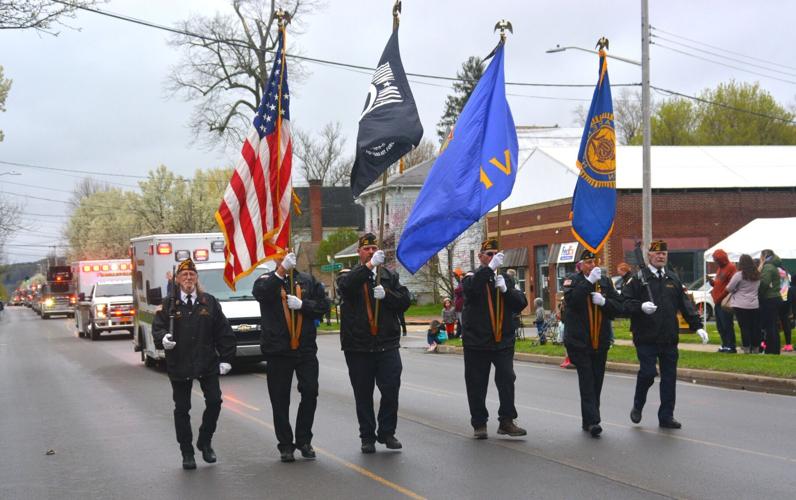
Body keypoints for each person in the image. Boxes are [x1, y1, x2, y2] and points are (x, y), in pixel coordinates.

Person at [152, 258, 236, 470]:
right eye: (184, 275)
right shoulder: (168, 304)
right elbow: (158, 327)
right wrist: (163, 339)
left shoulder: (209, 302)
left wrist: (226, 358)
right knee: (182, 409)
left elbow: (223, 331)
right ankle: (187, 452)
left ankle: (205, 441)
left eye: (192, 274)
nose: (188, 278)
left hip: (206, 361)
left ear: (196, 278)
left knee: (215, 402)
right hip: (179, 363)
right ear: (178, 280)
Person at [252, 251, 330, 463]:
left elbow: (324, 306)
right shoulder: (265, 280)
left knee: (310, 391)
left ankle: (304, 440)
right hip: (278, 349)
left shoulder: (307, 280)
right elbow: (262, 295)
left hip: (304, 348)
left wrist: (304, 305)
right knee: (280, 398)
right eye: (280, 256)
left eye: (287, 255)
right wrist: (280, 272)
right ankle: (285, 444)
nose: (284, 258)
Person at [337, 233, 411, 453]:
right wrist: (369, 267)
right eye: (366, 249)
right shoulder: (348, 276)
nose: (371, 252)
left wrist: (387, 295)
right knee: (363, 394)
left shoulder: (389, 276)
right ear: (359, 253)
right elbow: (347, 287)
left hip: (386, 343)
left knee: (390, 390)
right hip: (358, 346)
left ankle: (387, 432)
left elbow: (405, 302)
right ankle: (367, 436)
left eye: (374, 249)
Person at [622, 240, 707, 429]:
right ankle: (638, 405)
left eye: (664, 253)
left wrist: (697, 326)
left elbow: (685, 304)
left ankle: (666, 416)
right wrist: (640, 307)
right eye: (657, 253)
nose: (661, 256)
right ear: (649, 256)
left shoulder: (672, 278)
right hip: (645, 336)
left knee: (669, 378)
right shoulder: (638, 279)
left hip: (668, 336)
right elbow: (624, 303)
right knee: (648, 373)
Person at [462, 238, 529, 439]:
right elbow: (471, 290)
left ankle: (507, 420)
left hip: (502, 340)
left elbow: (520, 304)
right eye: (489, 254)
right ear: (481, 257)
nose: (493, 257)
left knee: (507, 378)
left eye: (495, 254)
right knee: (476, 383)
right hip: (477, 341)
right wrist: (489, 269)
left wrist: (506, 290)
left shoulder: (505, 279)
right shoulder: (471, 276)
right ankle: (479, 423)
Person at [563, 250, 623, 437]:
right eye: (587, 262)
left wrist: (605, 302)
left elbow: (617, 307)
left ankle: (588, 420)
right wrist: (588, 283)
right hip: (579, 342)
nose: (591, 265)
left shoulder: (604, 282)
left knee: (597, 382)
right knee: (587, 380)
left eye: (594, 261)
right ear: (580, 265)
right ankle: (594, 422)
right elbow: (572, 302)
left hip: (600, 340)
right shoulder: (572, 280)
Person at [726, 254, 761, 353]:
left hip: (740, 304)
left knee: (744, 327)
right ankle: (755, 348)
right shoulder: (757, 274)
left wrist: (736, 290)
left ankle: (746, 347)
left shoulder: (739, 275)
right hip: (754, 304)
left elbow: (729, 288)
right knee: (754, 327)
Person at [709, 249, 738, 353]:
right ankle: (725, 344)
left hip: (724, 301)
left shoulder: (731, 267)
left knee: (727, 325)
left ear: (722, 259)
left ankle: (731, 346)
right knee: (720, 326)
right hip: (717, 301)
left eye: (717, 260)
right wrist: (712, 283)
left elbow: (731, 284)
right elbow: (719, 283)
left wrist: (721, 296)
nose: (716, 262)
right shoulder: (720, 268)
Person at [757, 249, 782, 354]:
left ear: (764, 256)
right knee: (773, 326)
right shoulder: (773, 266)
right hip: (775, 298)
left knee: (770, 326)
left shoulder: (767, 267)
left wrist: (758, 294)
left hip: (769, 299)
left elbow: (764, 283)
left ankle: (772, 349)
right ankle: (774, 348)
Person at [453, 270, 465, 338]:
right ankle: (458, 333)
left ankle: (463, 334)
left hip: (461, 306)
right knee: (459, 322)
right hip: (458, 306)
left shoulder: (463, 284)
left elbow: (459, 290)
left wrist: (456, 290)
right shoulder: (459, 283)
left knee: (462, 321)